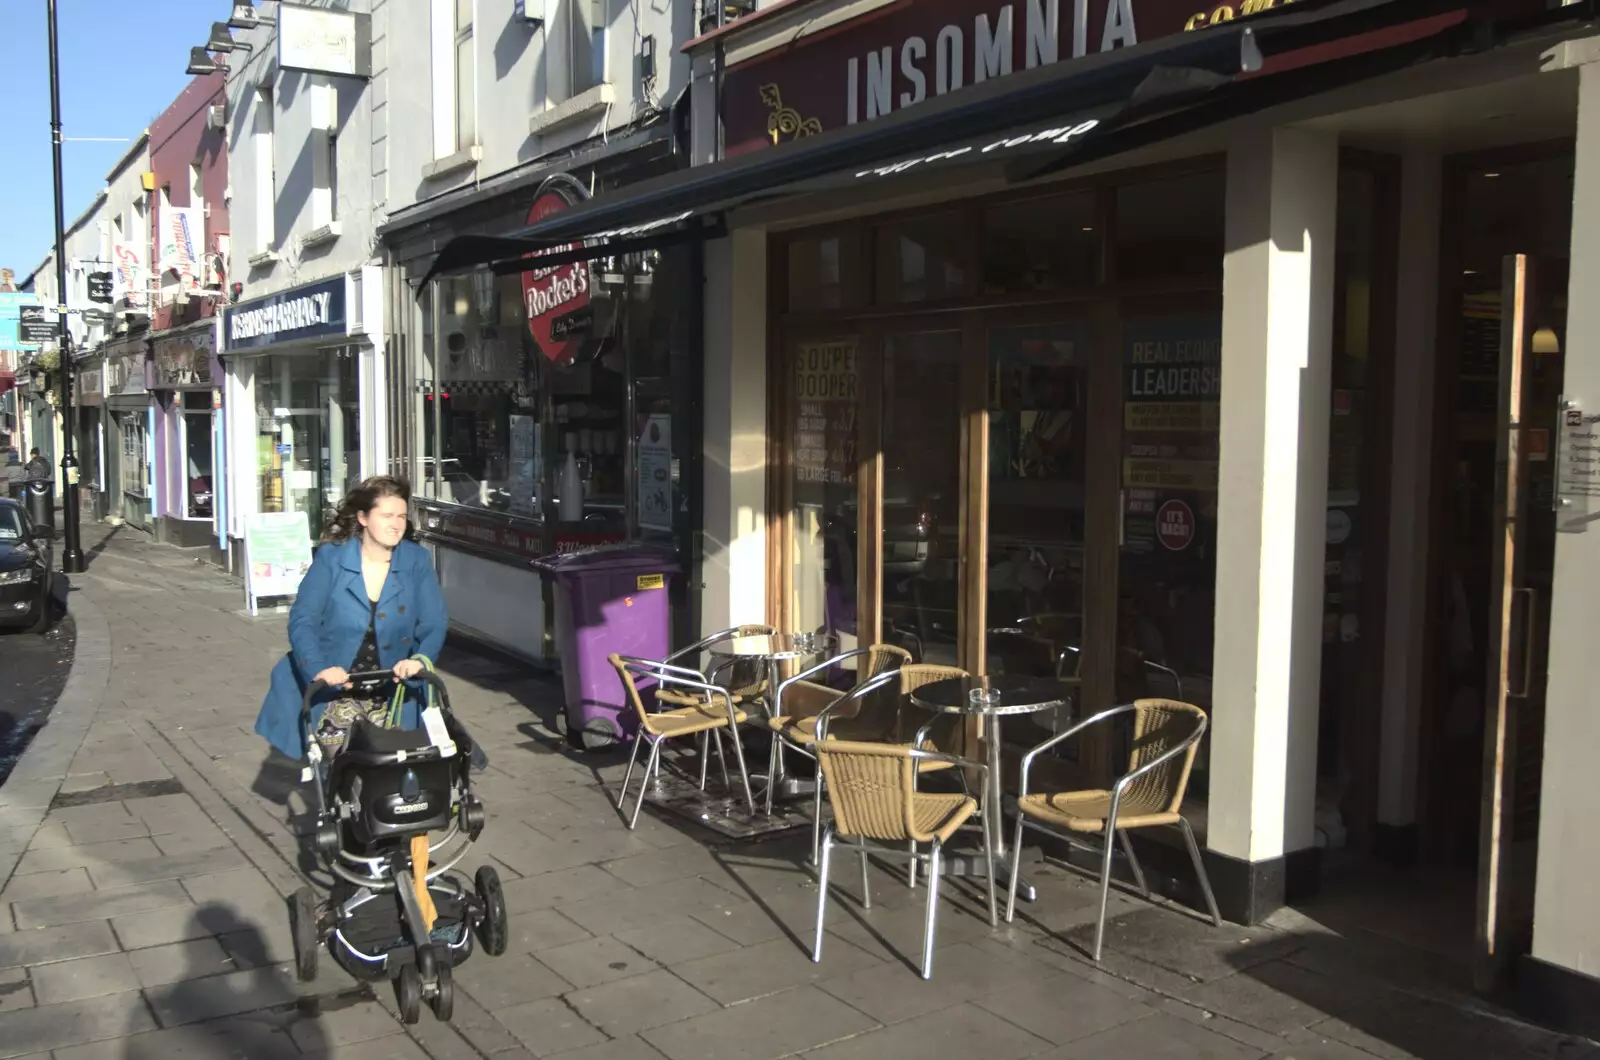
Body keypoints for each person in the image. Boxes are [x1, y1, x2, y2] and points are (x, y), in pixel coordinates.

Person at [255, 476, 448, 761]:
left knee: (404, 767)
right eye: (386, 516)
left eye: (402, 516)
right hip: (335, 691)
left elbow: (434, 622)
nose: (396, 524)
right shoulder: (331, 559)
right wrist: (320, 669)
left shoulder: (416, 560)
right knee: (346, 768)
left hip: (392, 689)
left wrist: (419, 659)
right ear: (363, 518)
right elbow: (303, 620)